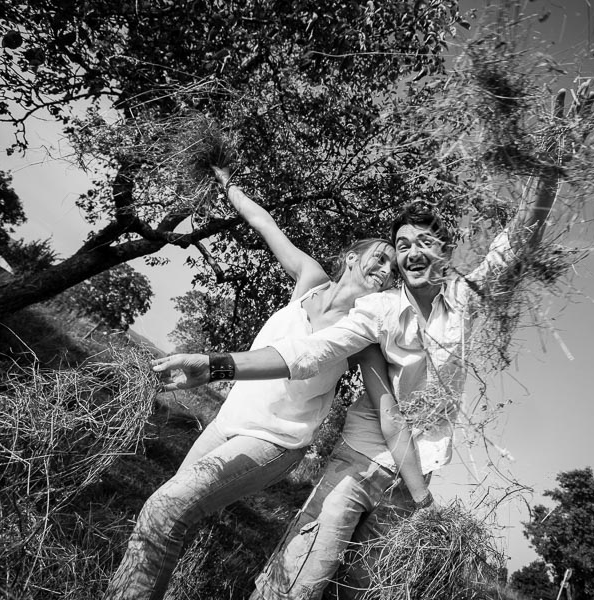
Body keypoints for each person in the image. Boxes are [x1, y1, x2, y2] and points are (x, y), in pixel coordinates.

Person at [154, 189, 555, 600]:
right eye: (402, 246)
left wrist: (548, 172)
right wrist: (215, 365)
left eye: (424, 242)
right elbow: (312, 352)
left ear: (444, 252)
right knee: (297, 583)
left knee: (360, 591)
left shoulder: (463, 299)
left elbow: (517, 240)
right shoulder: (378, 310)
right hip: (359, 460)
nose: (411, 252)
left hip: (419, 467)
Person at [103, 166, 398, 600]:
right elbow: (263, 222)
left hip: (273, 442)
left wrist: (411, 477)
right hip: (227, 422)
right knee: (164, 515)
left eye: (392, 268)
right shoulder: (310, 280)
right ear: (352, 256)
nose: (387, 267)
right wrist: (225, 183)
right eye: (382, 255)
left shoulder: (364, 334)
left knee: (165, 511)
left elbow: (387, 402)